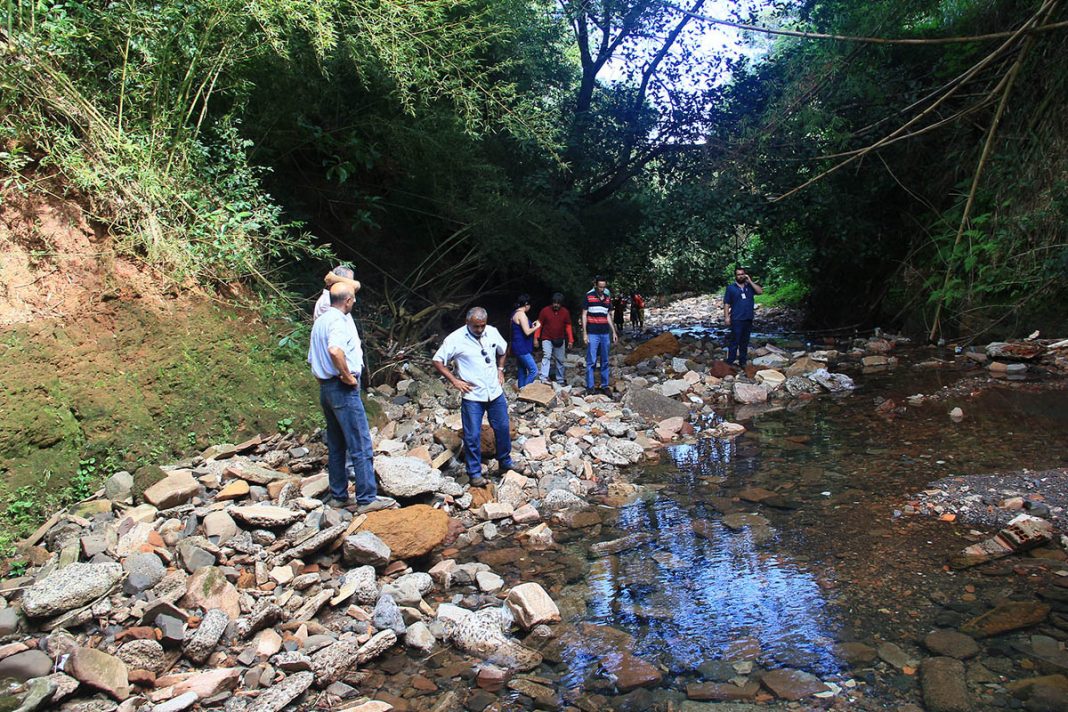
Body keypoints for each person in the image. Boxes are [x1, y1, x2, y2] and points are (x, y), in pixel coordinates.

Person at [308, 283, 396, 513]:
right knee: (360, 444)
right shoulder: (337, 321)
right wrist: (347, 377)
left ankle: (338, 495)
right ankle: (367, 498)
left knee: (337, 444)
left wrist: (328, 381)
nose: (355, 302)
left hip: (326, 388)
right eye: (353, 299)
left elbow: (312, 360)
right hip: (342, 388)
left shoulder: (320, 321)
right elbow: (335, 350)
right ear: (347, 301)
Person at [432, 307, 517, 488]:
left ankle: (505, 462)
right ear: (467, 322)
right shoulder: (455, 339)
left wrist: (501, 370)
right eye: (476, 326)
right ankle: (474, 473)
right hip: (472, 395)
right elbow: (437, 360)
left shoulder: (492, 333)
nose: (479, 330)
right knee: (472, 435)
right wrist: (454, 381)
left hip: (494, 391)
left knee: (502, 427)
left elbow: (503, 350)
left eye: (482, 326)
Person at [581, 276, 618, 394]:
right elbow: (584, 315)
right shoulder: (589, 296)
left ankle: (604, 385)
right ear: (596, 285)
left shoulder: (607, 298)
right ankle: (590, 387)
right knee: (591, 360)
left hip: (605, 333)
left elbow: (608, 315)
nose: (602, 289)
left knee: (605, 360)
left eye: (604, 287)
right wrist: (585, 333)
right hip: (592, 332)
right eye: (600, 287)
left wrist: (614, 332)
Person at [723, 266, 763, 367]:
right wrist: (727, 317)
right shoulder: (731, 288)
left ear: (745, 275)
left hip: (748, 318)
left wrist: (750, 281)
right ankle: (730, 361)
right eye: (738, 274)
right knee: (734, 341)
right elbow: (726, 303)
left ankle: (742, 362)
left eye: (742, 274)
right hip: (736, 318)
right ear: (735, 276)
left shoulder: (749, 287)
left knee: (744, 342)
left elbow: (760, 292)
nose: (740, 276)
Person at [534, 293, 574, 384]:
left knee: (560, 360)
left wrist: (570, 340)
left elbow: (568, 326)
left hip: (560, 338)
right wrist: (536, 338)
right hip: (547, 338)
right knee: (547, 356)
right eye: (554, 303)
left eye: (558, 303)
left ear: (561, 304)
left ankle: (560, 379)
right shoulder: (545, 311)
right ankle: (543, 377)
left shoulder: (565, 312)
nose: (556, 305)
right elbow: (539, 324)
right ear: (552, 302)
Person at [510, 294, 540, 389]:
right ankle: (524, 391)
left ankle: (521, 392)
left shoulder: (515, 313)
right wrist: (537, 327)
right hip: (521, 347)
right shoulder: (521, 315)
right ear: (526, 304)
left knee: (522, 370)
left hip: (517, 345)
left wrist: (532, 325)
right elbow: (527, 332)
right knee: (534, 370)